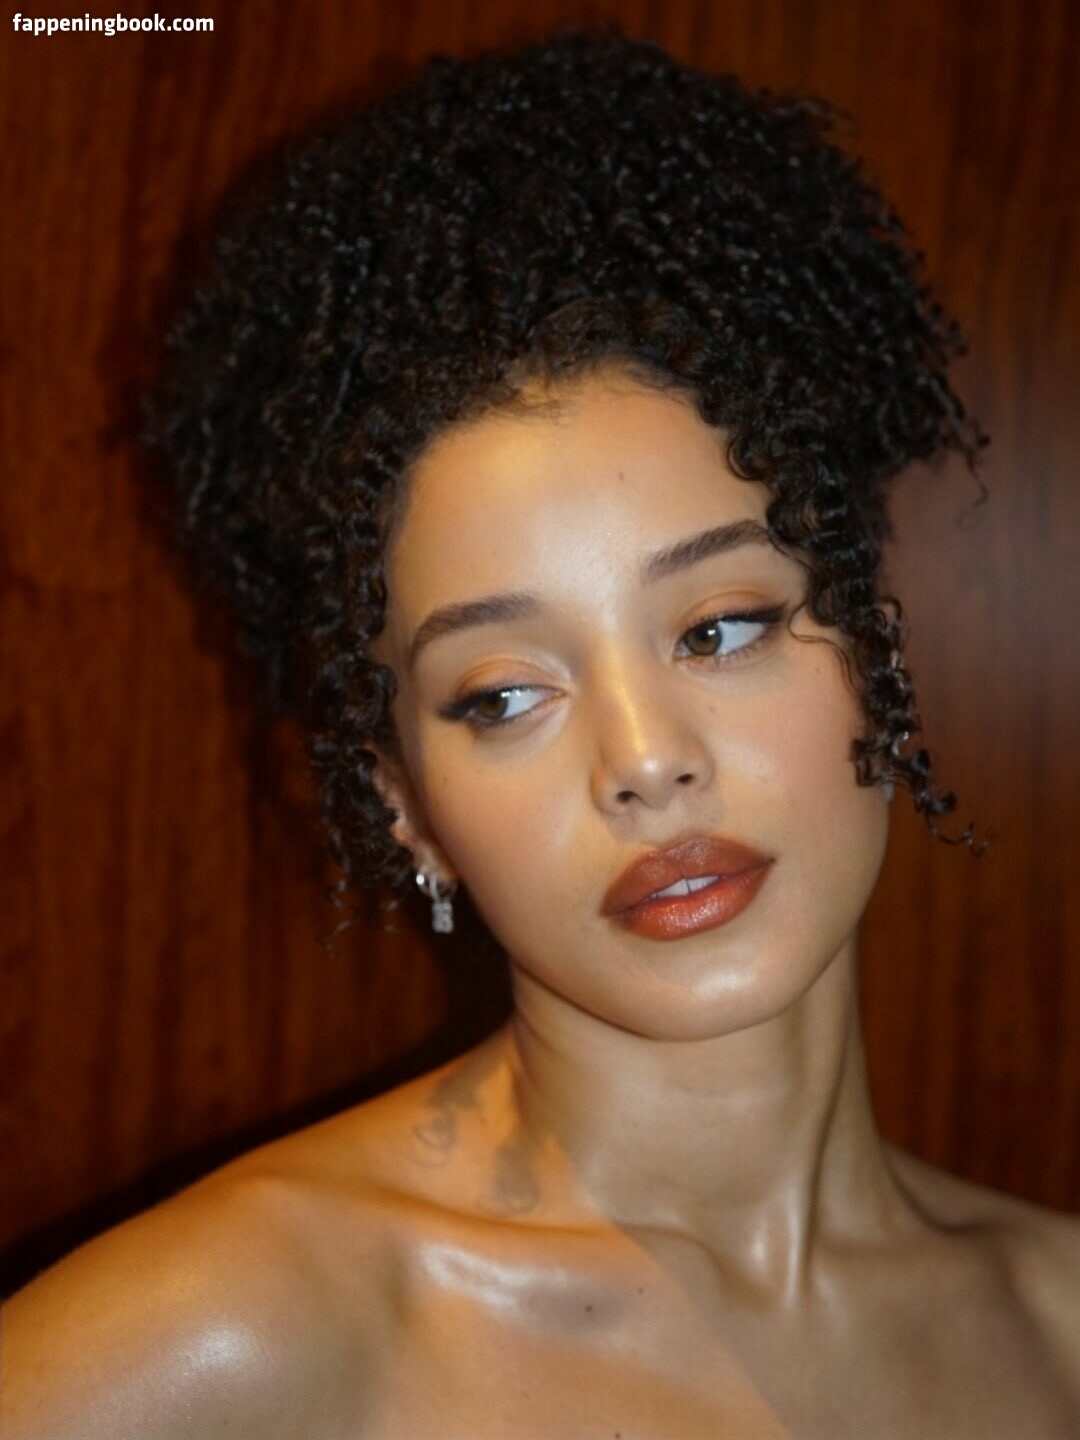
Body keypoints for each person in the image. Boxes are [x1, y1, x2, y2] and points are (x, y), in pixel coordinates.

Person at [3, 23, 1077, 1439]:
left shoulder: (1060, 1326)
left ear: (874, 646)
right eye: (504, 695)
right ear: (405, 803)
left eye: (721, 628)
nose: (645, 760)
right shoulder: (226, 1345)